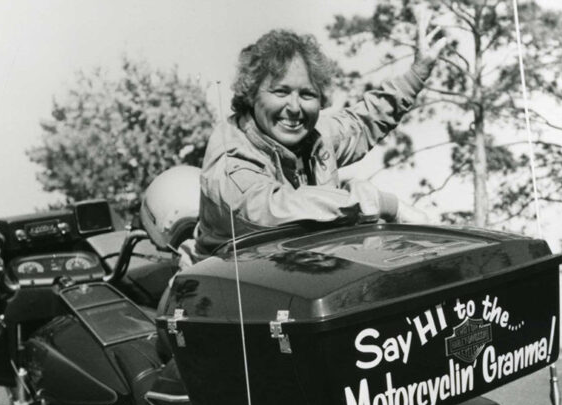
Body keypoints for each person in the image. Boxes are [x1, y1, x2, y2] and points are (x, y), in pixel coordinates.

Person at [189, 9, 446, 259]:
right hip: (228, 287)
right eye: (280, 91)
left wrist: (417, 73)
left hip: (301, 273)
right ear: (251, 95)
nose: (294, 107)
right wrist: (383, 204)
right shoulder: (231, 155)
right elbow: (273, 209)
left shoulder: (312, 137)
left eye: (307, 94)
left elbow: (362, 122)